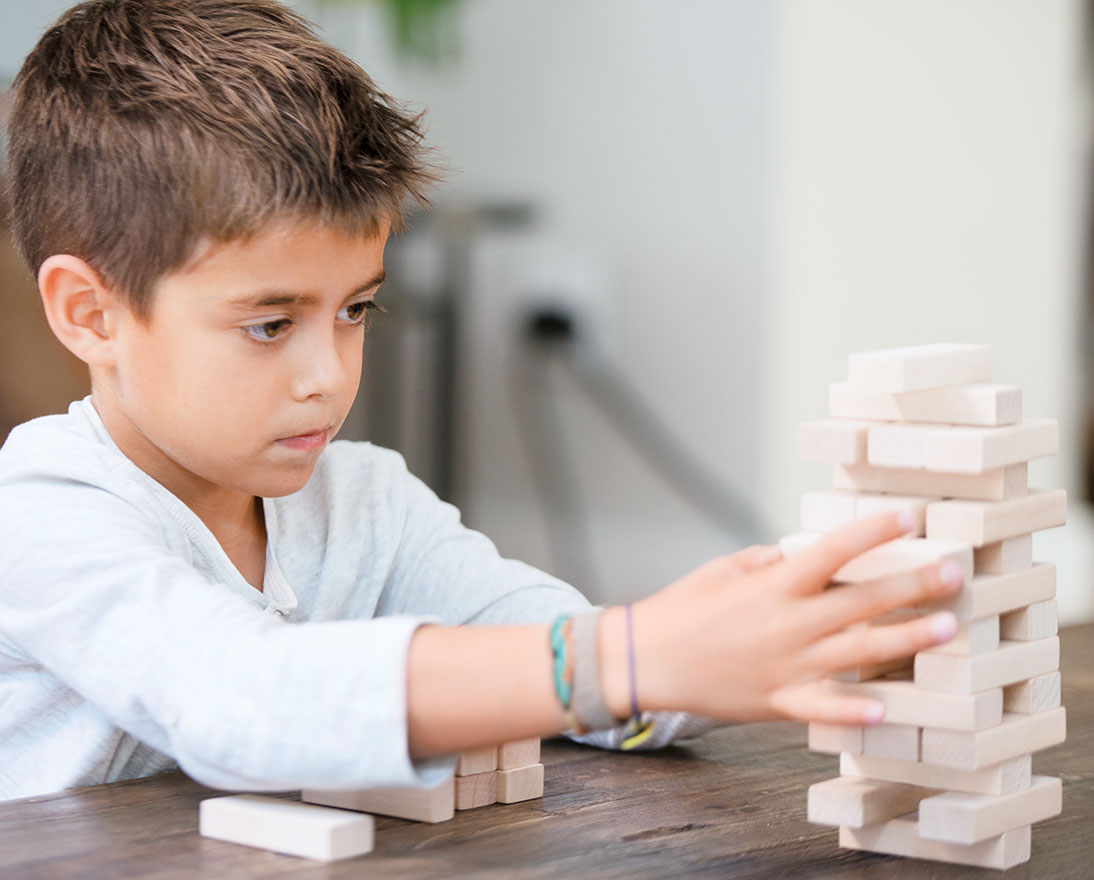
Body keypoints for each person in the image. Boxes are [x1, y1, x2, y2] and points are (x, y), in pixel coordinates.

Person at [0, 0, 962, 803]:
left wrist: (810, 622)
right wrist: (622, 657)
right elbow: (238, 700)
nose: (329, 375)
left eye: (356, 309)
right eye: (268, 324)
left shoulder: (364, 503)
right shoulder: (44, 514)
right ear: (91, 313)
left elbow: (566, 659)